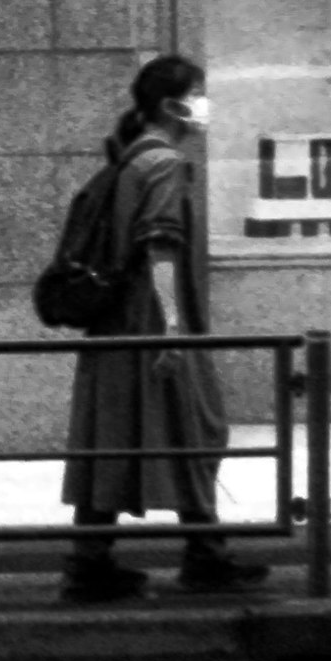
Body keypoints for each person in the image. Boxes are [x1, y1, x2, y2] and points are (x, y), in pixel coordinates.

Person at [62, 54, 267, 602]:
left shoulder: (133, 159)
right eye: (198, 92)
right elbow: (160, 246)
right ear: (172, 104)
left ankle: (92, 563)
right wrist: (173, 328)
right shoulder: (164, 164)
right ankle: (203, 556)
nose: (205, 103)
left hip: (121, 328)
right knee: (198, 431)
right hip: (153, 326)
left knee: (114, 438)